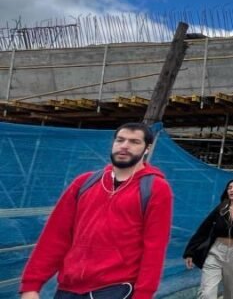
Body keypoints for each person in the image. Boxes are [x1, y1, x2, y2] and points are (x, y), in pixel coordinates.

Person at [19, 122, 173, 299]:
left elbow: (154, 247)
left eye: (134, 142)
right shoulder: (84, 183)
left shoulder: (156, 188)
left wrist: (143, 295)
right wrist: (31, 285)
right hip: (69, 288)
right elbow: (55, 236)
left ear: (147, 148)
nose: (124, 146)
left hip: (115, 289)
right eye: (120, 140)